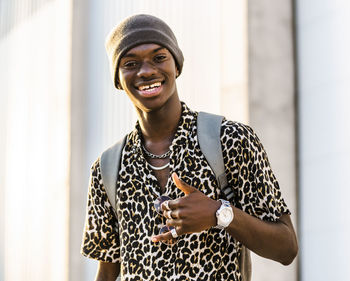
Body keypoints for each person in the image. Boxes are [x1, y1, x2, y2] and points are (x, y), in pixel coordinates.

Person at [81, 14, 298, 281]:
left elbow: (287, 247)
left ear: (177, 66)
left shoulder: (229, 140)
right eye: (130, 63)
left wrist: (220, 214)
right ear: (118, 79)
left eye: (159, 58)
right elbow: (108, 271)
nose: (146, 71)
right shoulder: (106, 168)